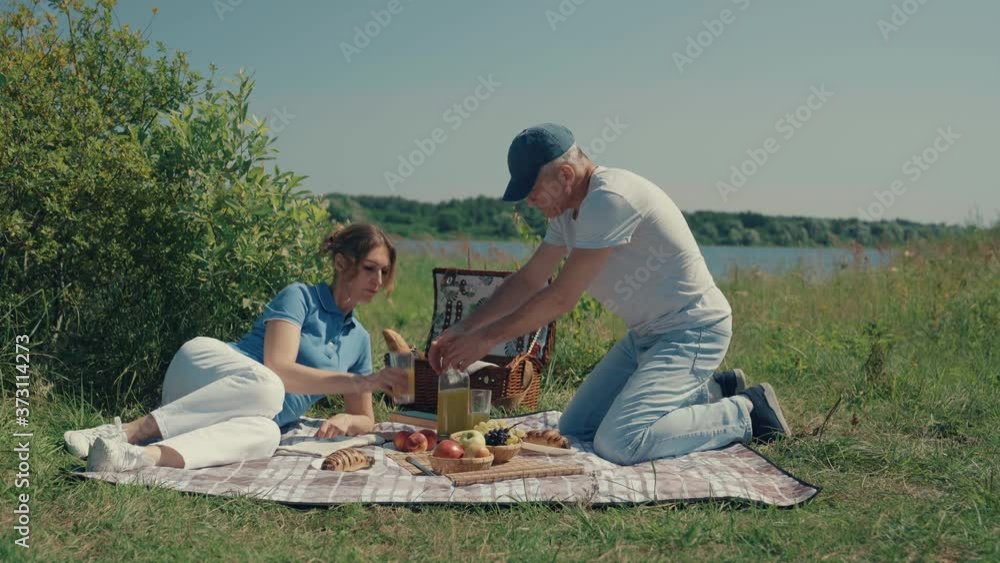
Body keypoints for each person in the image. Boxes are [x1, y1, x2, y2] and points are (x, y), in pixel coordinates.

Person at [429, 123, 791, 465]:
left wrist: (486, 340)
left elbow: (561, 298)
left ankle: (746, 411)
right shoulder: (567, 210)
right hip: (646, 337)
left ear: (565, 176)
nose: (530, 202)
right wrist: (465, 329)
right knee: (575, 430)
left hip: (692, 331)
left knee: (620, 442)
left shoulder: (609, 199)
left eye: (533, 191)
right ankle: (711, 390)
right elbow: (530, 280)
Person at [65, 223, 408, 472]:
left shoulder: (358, 338)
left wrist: (348, 417)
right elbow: (279, 368)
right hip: (202, 373)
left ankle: (136, 457)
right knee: (269, 386)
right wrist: (361, 382)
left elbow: (366, 420)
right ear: (341, 263)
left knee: (268, 434)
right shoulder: (301, 296)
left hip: (235, 414)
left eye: (384, 272)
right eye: (369, 269)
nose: (377, 282)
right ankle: (124, 431)